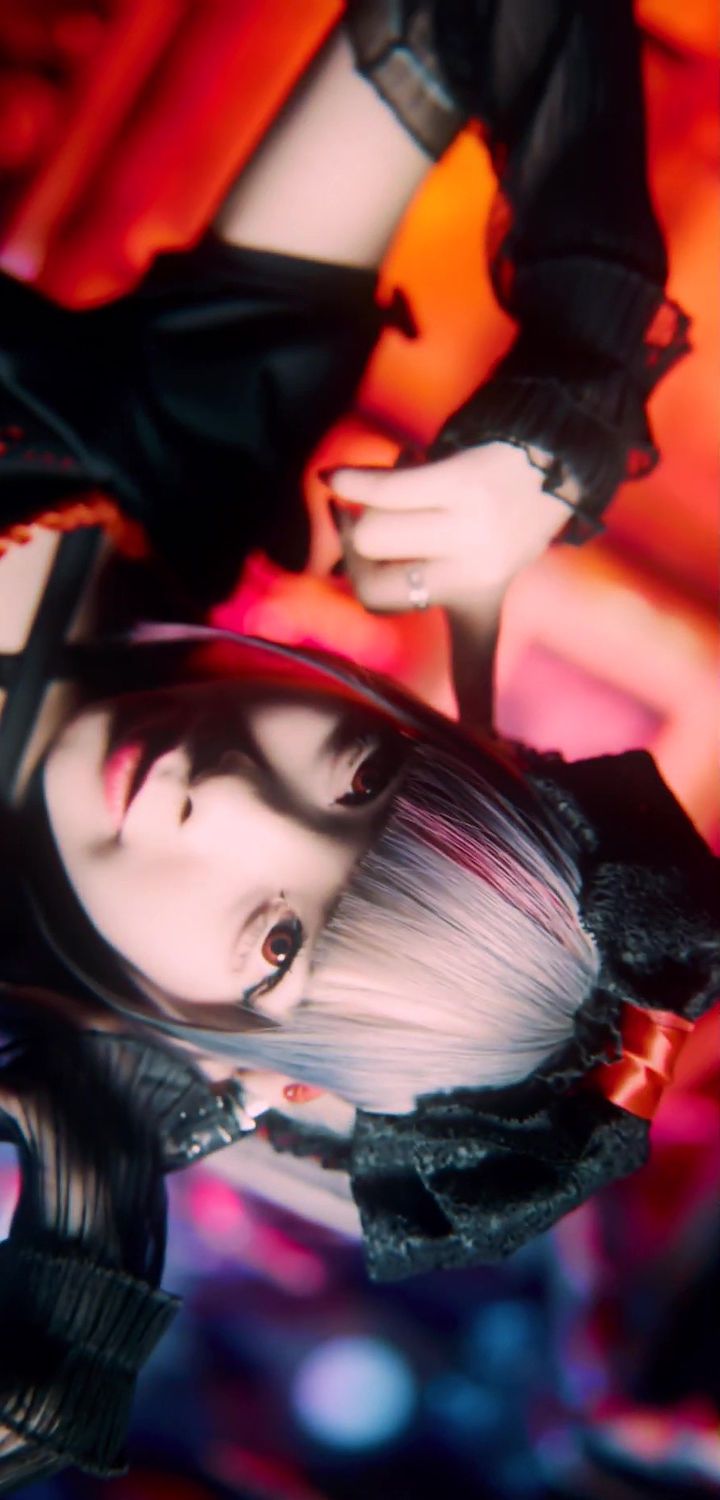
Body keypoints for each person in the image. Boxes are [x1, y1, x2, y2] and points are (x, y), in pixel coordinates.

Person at [0, 1, 703, 1488]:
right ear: (410, 716)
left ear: (241, 1074)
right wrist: (560, 409)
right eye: (362, 779)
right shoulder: (179, 455)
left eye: (276, 942)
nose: (228, 801)